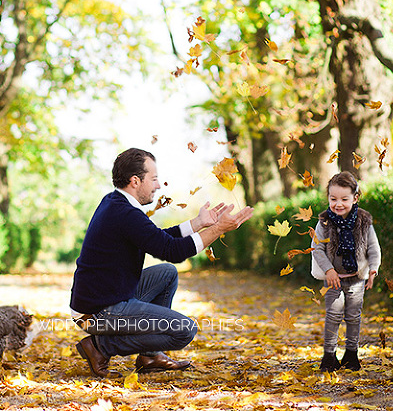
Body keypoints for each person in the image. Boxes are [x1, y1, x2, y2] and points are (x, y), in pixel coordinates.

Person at [69, 148, 254, 378]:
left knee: (166, 273)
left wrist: (197, 223)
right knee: (184, 330)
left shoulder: (116, 203)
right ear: (135, 181)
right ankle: (99, 347)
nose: (158, 185)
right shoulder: (125, 213)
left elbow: (159, 240)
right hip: (98, 312)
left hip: (106, 297)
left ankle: (150, 355)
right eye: (154, 179)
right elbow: (173, 251)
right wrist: (218, 229)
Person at [311, 171, 381, 372]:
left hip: (356, 279)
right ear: (328, 198)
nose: (338, 204)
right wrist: (329, 270)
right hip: (334, 279)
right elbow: (317, 248)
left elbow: (372, 248)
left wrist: (373, 269)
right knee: (333, 315)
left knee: (353, 316)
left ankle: (351, 354)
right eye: (333, 199)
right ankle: (329, 356)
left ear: (355, 198)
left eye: (344, 199)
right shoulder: (325, 221)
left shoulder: (363, 222)